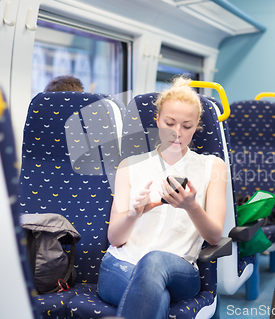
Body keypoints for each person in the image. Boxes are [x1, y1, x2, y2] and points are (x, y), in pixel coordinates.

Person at [96, 76, 227, 319]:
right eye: (170, 123)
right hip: (121, 266)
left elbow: (214, 235)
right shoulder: (129, 166)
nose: (177, 133)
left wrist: (191, 207)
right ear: (157, 120)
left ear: (197, 125)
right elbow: (115, 238)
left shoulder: (213, 167)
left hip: (178, 270)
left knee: (154, 261)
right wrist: (134, 214)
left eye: (187, 126)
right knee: (157, 296)